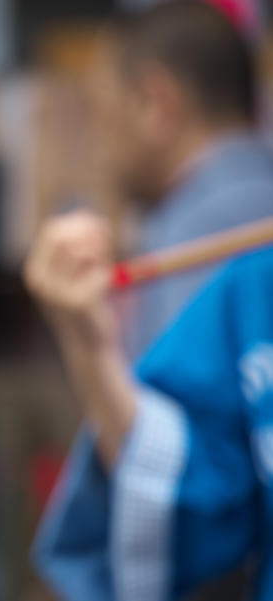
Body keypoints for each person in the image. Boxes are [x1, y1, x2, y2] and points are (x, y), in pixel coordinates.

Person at [89, 0, 273, 357]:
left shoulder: (197, 232)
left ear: (154, 104)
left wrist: (82, 343)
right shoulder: (257, 200)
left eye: (103, 113)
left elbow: (163, 409)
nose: (100, 148)